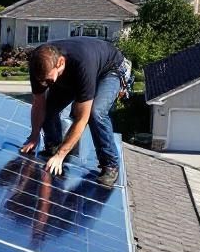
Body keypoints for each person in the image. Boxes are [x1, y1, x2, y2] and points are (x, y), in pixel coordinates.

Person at [20, 40, 131, 188]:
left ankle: (110, 165)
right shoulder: (39, 64)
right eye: (42, 81)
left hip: (110, 69)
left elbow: (82, 119)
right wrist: (34, 136)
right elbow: (39, 104)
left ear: (60, 62)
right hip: (73, 73)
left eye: (47, 80)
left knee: (96, 112)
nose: (44, 84)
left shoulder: (82, 65)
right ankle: (52, 146)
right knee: (49, 107)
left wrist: (61, 155)